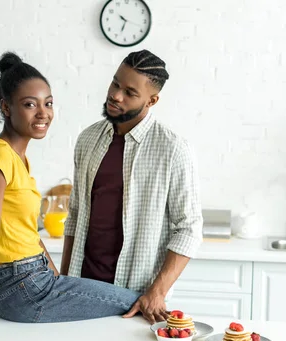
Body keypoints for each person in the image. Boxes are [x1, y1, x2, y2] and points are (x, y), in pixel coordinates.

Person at [0, 52, 140, 341]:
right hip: (19, 287)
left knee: (122, 309)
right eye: (30, 104)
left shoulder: (18, 158)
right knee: (136, 302)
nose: (43, 113)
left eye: (48, 103)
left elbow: (26, 232)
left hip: (29, 279)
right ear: (6, 107)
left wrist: (55, 275)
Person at [60, 49, 203, 325]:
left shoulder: (173, 149)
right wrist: (63, 280)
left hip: (137, 300)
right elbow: (75, 216)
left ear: (152, 100)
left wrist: (157, 292)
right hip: (80, 289)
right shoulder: (88, 139)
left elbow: (189, 228)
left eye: (129, 92)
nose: (115, 95)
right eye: (115, 83)